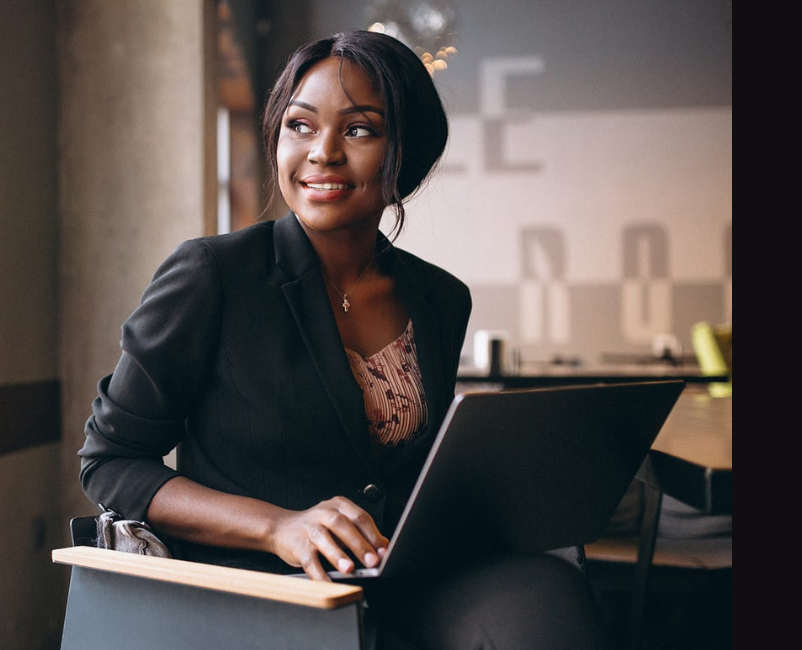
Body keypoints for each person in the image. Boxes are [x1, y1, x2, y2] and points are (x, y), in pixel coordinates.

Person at [79, 30, 612, 650]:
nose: (322, 152)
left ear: (403, 154)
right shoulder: (212, 276)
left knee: (546, 595)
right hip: (263, 586)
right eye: (300, 126)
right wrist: (278, 526)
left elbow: (407, 473)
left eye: (358, 130)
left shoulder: (440, 298)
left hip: (398, 576)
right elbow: (110, 462)